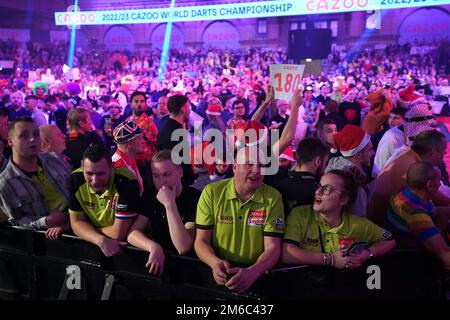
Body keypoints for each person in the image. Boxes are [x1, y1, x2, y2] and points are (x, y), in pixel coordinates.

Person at [195, 147, 284, 293]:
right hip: (220, 275)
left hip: (257, 277)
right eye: (249, 164)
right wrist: (214, 263)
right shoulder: (211, 192)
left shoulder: (273, 198)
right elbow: (201, 241)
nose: (257, 170)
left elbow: (273, 248)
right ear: (235, 167)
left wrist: (253, 272)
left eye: (261, 165)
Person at [282, 170, 396, 269]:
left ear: (343, 199)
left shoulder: (357, 224)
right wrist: (331, 259)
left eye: (326, 189)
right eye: (318, 186)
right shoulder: (300, 214)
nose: (318, 192)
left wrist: (366, 254)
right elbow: (287, 254)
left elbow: (389, 240)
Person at [0, 117, 71, 239]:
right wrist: (46, 221)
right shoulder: (5, 183)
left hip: (77, 227)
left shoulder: (54, 159)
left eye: (36, 134)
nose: (32, 139)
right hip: (48, 244)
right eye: (24, 135)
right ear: (10, 141)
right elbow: (16, 222)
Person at [68, 144, 139, 257]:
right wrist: (100, 240)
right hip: (96, 245)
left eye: (100, 173)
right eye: (89, 173)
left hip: (128, 249)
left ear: (112, 166)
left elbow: (118, 233)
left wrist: (88, 230)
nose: (95, 180)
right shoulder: (75, 179)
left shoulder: (126, 182)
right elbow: (76, 224)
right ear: (82, 166)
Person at [369, 130, 450, 226]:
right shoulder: (414, 168)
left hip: (386, 216)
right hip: (386, 225)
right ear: (432, 152)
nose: (445, 153)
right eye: (443, 150)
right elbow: (432, 199)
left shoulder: (407, 152)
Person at [387, 162, 450, 269]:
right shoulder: (416, 214)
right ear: (429, 185)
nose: (440, 185)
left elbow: (435, 211)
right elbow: (445, 255)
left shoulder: (405, 194)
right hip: (414, 263)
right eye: (439, 181)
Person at [138, 150, 201, 254]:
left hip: (186, 265)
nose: (161, 181)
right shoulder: (150, 195)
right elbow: (132, 233)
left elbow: (183, 247)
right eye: (156, 176)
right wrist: (152, 246)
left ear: (180, 172)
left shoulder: (194, 197)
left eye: (167, 174)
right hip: (158, 262)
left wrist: (169, 204)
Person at [326, 125, 374, 216]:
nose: (373, 153)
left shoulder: (334, 167)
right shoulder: (353, 182)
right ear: (358, 155)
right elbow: (359, 220)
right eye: (370, 149)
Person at [275, 138, 329, 216]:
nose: (325, 167)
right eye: (325, 162)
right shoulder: (318, 192)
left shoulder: (276, 185)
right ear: (318, 161)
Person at [111, 121, 145, 195]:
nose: (143, 141)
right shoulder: (117, 167)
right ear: (130, 143)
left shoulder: (130, 157)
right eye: (139, 138)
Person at [127, 91, 158, 162]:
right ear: (131, 104)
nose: (139, 104)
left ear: (145, 104)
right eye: (136, 101)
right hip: (130, 161)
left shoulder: (149, 122)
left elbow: (155, 143)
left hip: (144, 162)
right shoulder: (127, 120)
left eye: (142, 101)